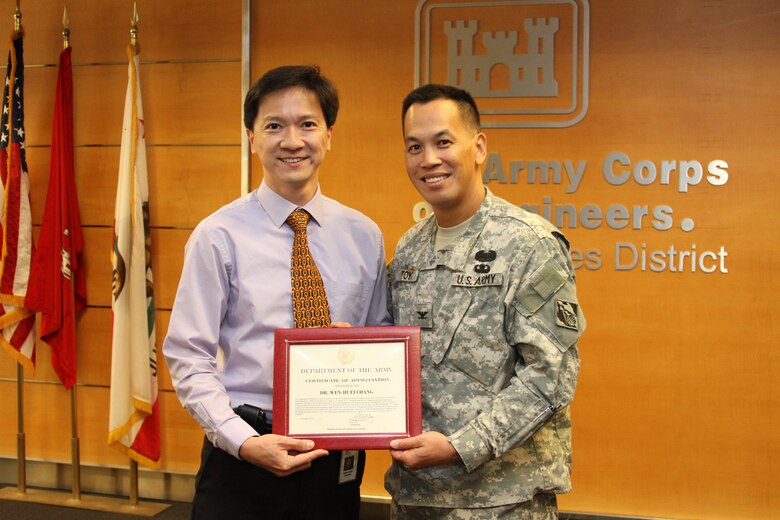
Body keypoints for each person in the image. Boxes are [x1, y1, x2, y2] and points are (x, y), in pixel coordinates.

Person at [163, 65, 390, 520]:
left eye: (308, 124)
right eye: (274, 126)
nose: (292, 141)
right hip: (244, 452)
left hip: (334, 452)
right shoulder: (217, 235)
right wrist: (244, 442)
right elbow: (189, 356)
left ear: (329, 136)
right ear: (251, 137)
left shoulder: (364, 235)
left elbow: (382, 336)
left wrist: (361, 349)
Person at [385, 84, 585, 519]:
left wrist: (462, 447)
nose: (428, 159)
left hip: (503, 502)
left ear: (478, 147)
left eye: (443, 142)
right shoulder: (409, 250)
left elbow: (550, 377)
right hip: (415, 498)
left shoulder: (529, 243)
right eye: (414, 146)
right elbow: (394, 355)